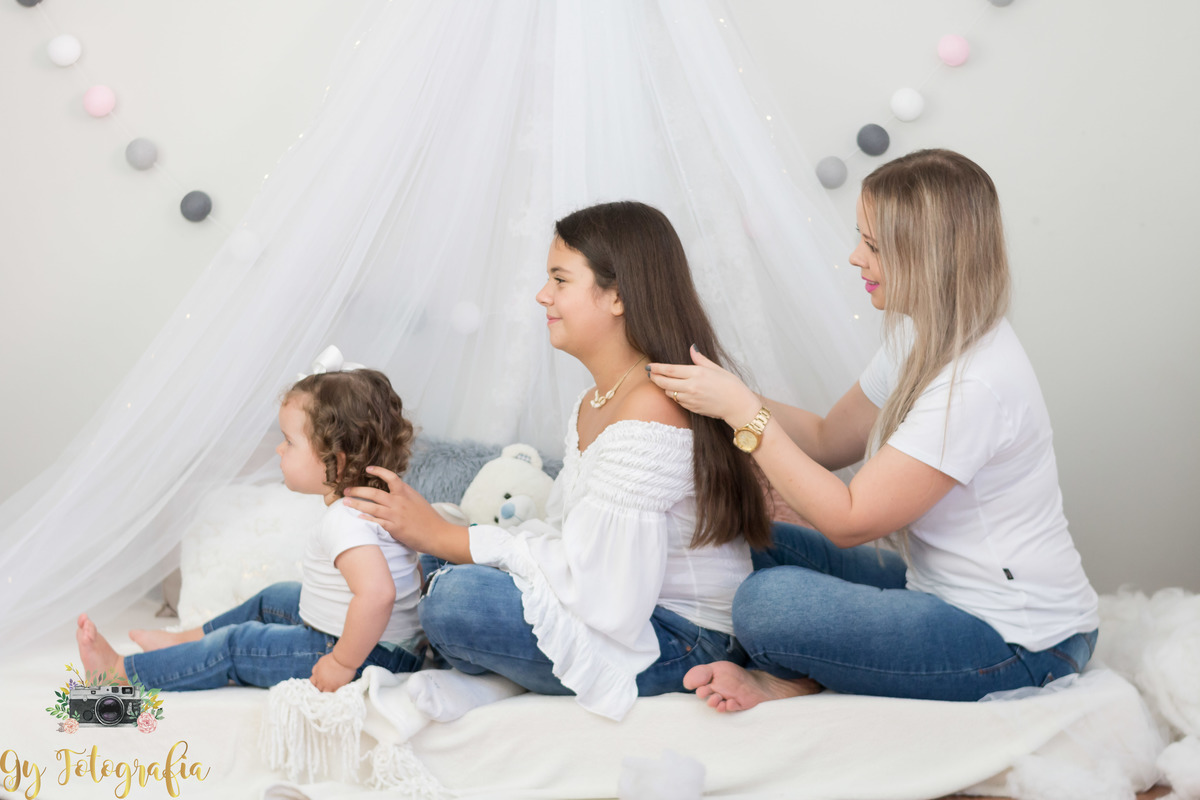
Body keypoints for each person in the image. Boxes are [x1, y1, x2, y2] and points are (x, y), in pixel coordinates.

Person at [648, 149, 1101, 711]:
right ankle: (801, 666)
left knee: (770, 603)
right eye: (861, 238)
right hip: (934, 589)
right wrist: (717, 387)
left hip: (1021, 641)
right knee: (744, 536)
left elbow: (848, 520)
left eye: (876, 247)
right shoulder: (920, 338)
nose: (855, 258)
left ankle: (791, 672)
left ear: (930, 257)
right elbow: (823, 439)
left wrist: (743, 414)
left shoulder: (976, 382)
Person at [342, 201, 772, 721]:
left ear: (617, 295)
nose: (543, 295)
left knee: (455, 601)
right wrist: (446, 539)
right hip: (629, 607)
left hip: (680, 637)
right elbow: (572, 540)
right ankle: (488, 665)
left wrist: (444, 537)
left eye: (560, 279)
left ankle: (487, 675)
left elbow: (606, 596)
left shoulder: (650, 410)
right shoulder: (596, 401)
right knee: (439, 565)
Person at [76, 364, 425, 692]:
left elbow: (379, 594)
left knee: (238, 645)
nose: (278, 448)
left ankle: (121, 671)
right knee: (275, 597)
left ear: (337, 459)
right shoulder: (386, 504)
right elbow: (410, 572)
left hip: (366, 654)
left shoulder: (345, 521)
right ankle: (187, 638)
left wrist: (341, 662)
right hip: (392, 646)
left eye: (289, 441)